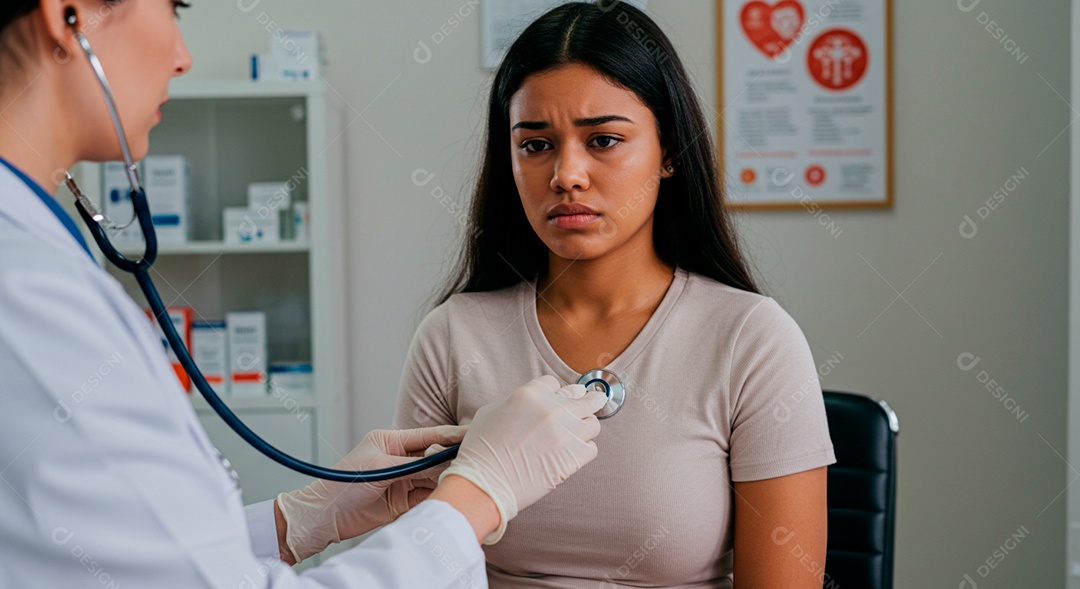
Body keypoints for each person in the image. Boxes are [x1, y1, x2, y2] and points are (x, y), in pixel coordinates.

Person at [0, 1, 607, 587]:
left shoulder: (37, 268)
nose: (183, 58)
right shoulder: (31, 298)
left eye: (604, 139)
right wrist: (476, 497)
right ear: (70, 13)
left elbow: (139, 559)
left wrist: (298, 520)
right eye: (176, 7)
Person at [394, 2, 836, 588]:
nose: (566, 174)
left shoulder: (751, 340)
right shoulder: (454, 337)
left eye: (602, 140)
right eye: (535, 145)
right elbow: (409, 572)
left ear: (670, 151)